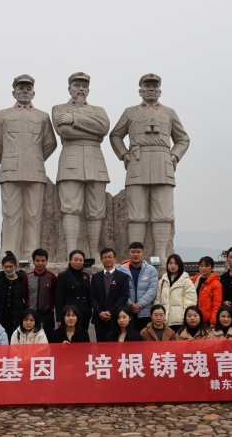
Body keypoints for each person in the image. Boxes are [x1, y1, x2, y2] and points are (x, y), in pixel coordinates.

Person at [109, 73, 191, 262]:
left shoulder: (169, 112)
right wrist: (124, 154)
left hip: (163, 163)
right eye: (147, 86)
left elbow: (183, 138)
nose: (151, 90)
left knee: (163, 213)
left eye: (155, 86)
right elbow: (115, 135)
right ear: (140, 90)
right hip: (138, 163)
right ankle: (135, 254)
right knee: (136, 214)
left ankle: (160, 253)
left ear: (160, 90)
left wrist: (174, 155)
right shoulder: (130, 112)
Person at [0, 74, 57, 261]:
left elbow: (50, 144)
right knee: (11, 215)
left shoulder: (42, 116)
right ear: (14, 92)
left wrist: (35, 159)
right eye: (21, 88)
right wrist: (8, 160)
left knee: (34, 215)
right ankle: (9, 255)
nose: (25, 92)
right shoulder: (3, 115)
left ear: (34, 93)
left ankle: (31, 254)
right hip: (10, 172)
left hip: (35, 172)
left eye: (28, 89)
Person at [52, 72, 111, 256]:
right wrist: (93, 132)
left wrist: (74, 119)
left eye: (84, 86)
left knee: (96, 210)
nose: (81, 89)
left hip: (95, 161)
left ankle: (94, 253)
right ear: (69, 88)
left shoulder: (99, 110)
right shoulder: (59, 109)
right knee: (70, 208)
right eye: (77, 85)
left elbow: (104, 128)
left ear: (89, 89)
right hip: (70, 161)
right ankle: (71, 252)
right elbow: (65, 132)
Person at [90, 248, 131, 342]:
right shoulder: (96, 277)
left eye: (110, 257)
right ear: (101, 260)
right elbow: (92, 296)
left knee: (116, 346)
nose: (107, 259)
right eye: (105, 257)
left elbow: (124, 296)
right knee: (101, 346)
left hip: (116, 317)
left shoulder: (123, 277)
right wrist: (100, 312)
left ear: (115, 258)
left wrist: (111, 311)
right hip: (99, 318)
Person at [118, 242, 159, 332]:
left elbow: (152, 290)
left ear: (142, 253)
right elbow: (119, 290)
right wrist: (130, 304)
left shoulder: (151, 270)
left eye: (138, 252)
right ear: (129, 253)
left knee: (144, 338)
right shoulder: (121, 270)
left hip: (145, 312)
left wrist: (139, 305)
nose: (135, 254)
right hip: (127, 312)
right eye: (133, 252)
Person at [154, 253, 196, 332]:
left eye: (175, 263)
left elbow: (190, 302)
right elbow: (157, 300)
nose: (172, 266)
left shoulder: (186, 281)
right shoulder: (162, 282)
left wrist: (185, 317)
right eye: (170, 263)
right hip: (164, 321)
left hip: (180, 322)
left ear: (180, 265)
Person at [55, 250, 92, 332]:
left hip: (84, 313)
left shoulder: (86, 276)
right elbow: (59, 298)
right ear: (70, 260)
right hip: (69, 314)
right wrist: (59, 318)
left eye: (81, 260)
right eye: (75, 259)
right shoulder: (63, 276)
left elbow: (88, 295)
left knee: (82, 335)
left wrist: (89, 309)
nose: (78, 262)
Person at [22, 248, 58, 331]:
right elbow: (25, 295)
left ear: (47, 261)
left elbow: (54, 295)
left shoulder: (52, 277)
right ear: (33, 261)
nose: (40, 263)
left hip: (47, 315)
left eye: (43, 261)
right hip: (31, 315)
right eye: (37, 260)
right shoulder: (27, 277)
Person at [0, 251, 26, 338]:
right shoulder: (0, 281)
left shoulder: (22, 280)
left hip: (18, 314)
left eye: (10, 266)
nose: (8, 269)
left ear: (15, 266)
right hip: (3, 315)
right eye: (6, 267)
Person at [191, 256, 222, 326]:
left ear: (212, 268)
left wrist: (213, 321)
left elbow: (216, 304)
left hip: (207, 320)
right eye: (201, 266)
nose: (203, 268)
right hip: (194, 317)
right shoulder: (194, 281)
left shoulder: (216, 284)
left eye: (206, 266)